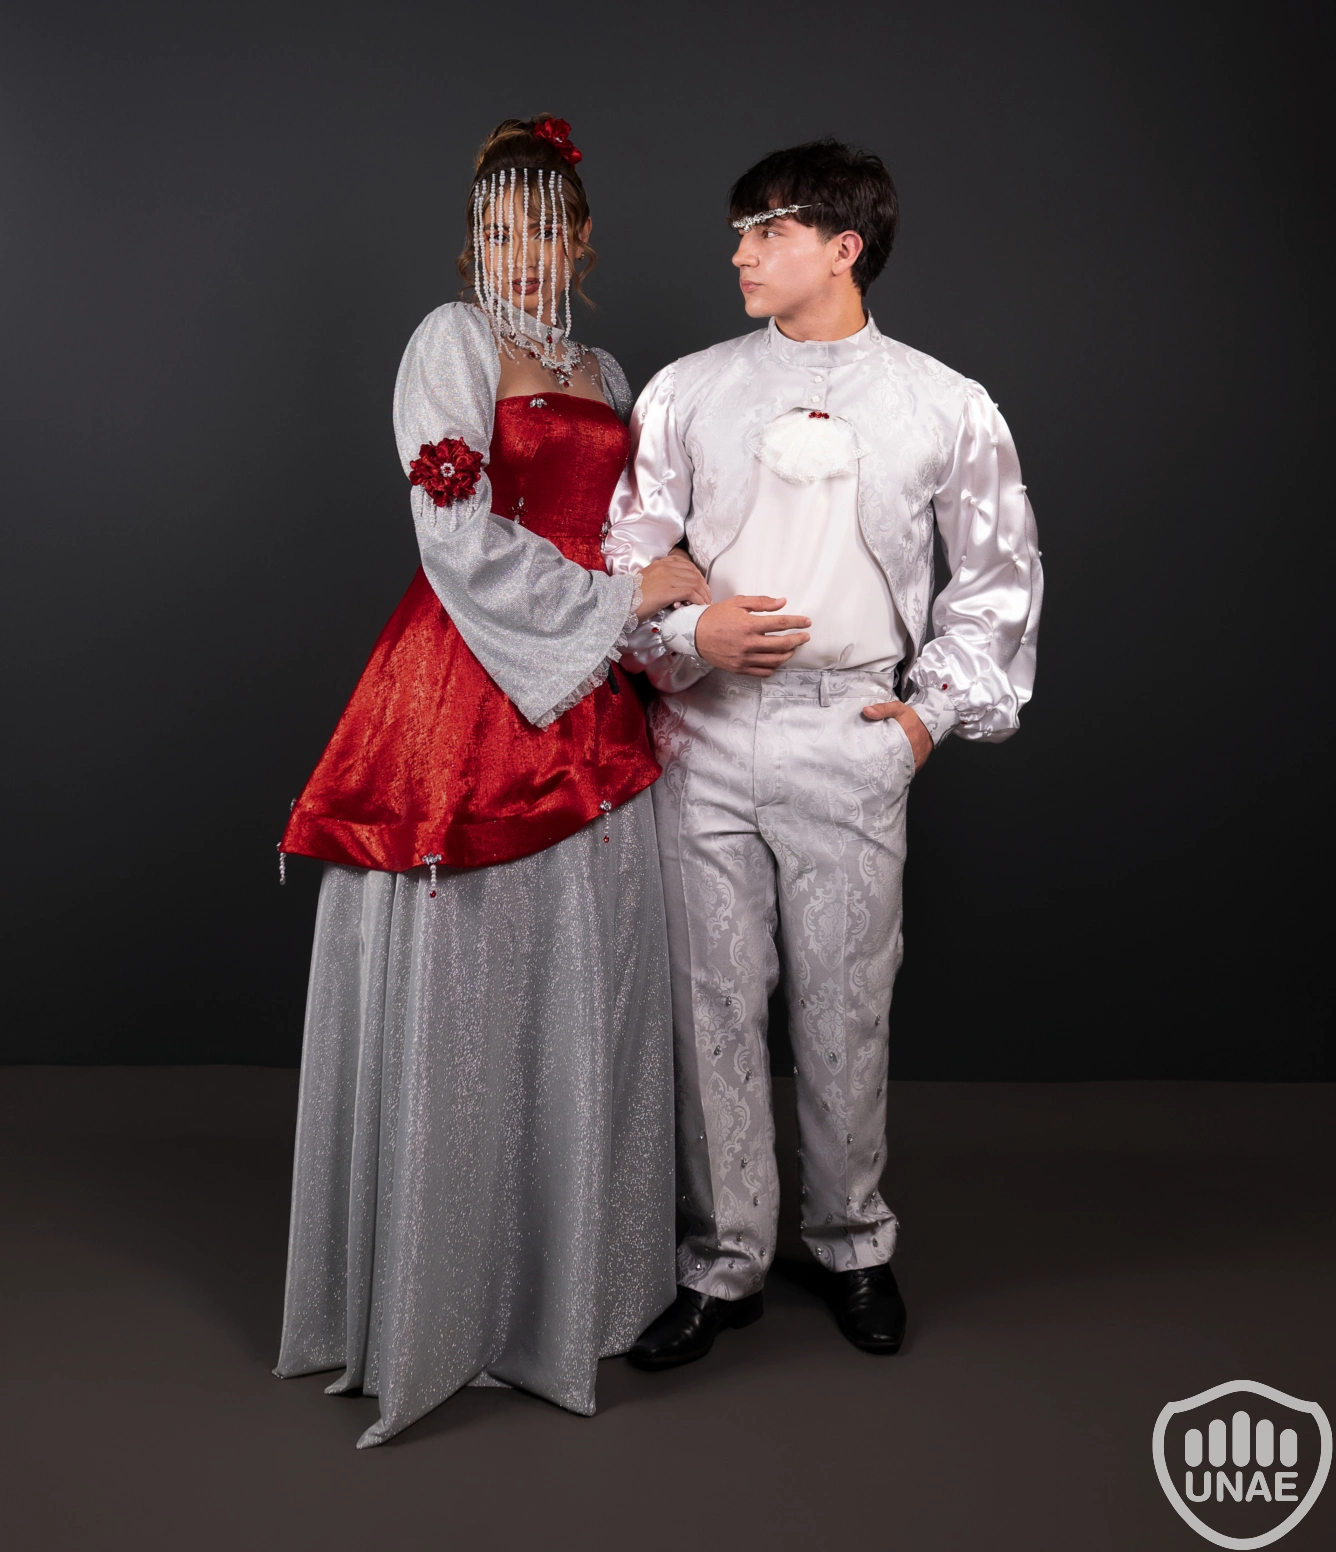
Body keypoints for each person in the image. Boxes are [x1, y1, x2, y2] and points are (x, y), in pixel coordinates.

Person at [274, 117, 707, 1444]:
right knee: (468, 988)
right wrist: (621, 599)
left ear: (582, 241)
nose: (522, 253)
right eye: (500, 231)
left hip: (590, 692)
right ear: (475, 241)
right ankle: (441, 1295)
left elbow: (633, 539)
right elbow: (453, 536)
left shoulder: (608, 369)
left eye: (545, 230)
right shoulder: (450, 344)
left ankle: (569, 1287)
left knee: (589, 985)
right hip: (470, 680)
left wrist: (660, 610)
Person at [604, 139, 1042, 1368]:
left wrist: (925, 715)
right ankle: (723, 1259)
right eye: (738, 232)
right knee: (709, 1001)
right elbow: (624, 548)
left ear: (843, 246)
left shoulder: (943, 402)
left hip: (851, 729)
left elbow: (998, 575)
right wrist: (688, 630)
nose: (740, 254)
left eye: (769, 230)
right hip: (700, 729)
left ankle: (853, 1241)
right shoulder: (687, 390)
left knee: (848, 1002)